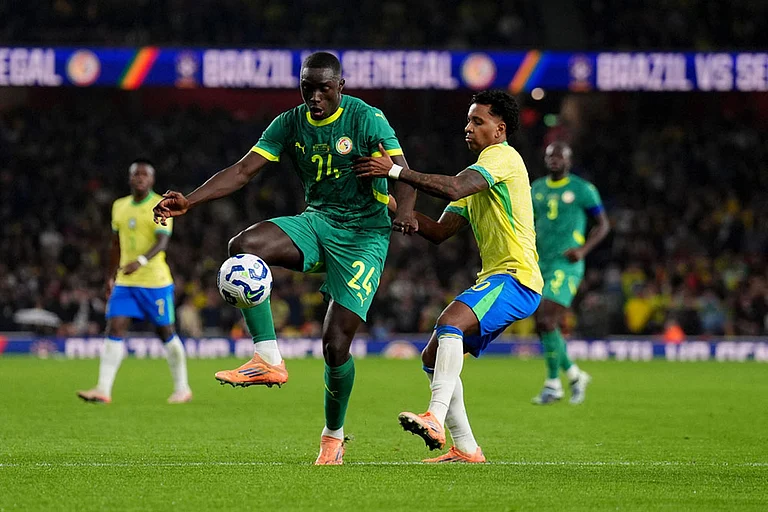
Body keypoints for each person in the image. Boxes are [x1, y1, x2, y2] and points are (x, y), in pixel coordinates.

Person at [153, 52, 417, 465]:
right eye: (307, 87)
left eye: (323, 89)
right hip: (317, 222)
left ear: (340, 87)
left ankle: (333, 436)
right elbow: (243, 171)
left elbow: (402, 172)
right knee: (242, 248)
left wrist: (402, 212)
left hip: (365, 235)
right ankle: (268, 358)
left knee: (334, 348)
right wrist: (191, 200)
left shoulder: (367, 119)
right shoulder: (289, 122)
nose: (314, 96)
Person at [353, 90, 542, 463]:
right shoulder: (476, 180)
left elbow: (454, 187)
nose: (468, 127)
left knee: (449, 322)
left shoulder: (501, 158)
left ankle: (434, 418)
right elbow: (439, 231)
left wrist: (393, 170)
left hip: (516, 276)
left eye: (478, 121)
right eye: (468, 121)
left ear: (499, 129)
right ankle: (466, 447)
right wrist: (389, 202)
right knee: (433, 353)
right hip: (499, 277)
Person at [77, 159, 192, 405]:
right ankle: (103, 389)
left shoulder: (161, 205)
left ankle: (182, 388)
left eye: (145, 175)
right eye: (136, 174)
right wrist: (110, 276)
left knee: (166, 333)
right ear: (129, 178)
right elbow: (115, 244)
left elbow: (162, 241)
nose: (140, 178)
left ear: (152, 180)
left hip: (155, 282)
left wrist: (140, 261)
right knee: (115, 327)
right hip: (125, 282)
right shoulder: (119, 206)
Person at [530, 142, 610, 405]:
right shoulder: (536, 189)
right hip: (540, 262)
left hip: (566, 263)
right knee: (543, 323)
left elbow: (603, 225)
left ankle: (553, 384)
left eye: (559, 156)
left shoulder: (582, 189)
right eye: (550, 156)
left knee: (547, 317)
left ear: (569, 160)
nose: (554, 160)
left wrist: (583, 250)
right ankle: (575, 376)